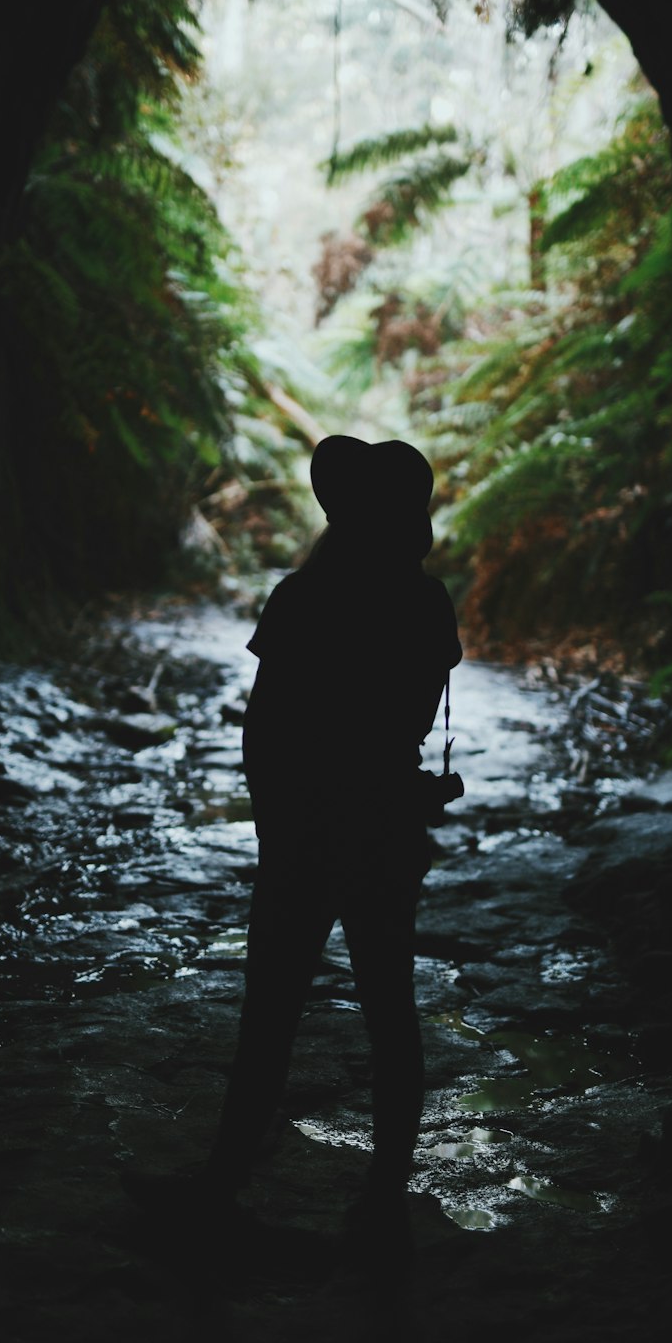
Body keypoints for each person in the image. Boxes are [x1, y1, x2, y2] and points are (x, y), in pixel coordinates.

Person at [204, 434, 463, 1225]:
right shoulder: (426, 602)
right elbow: (415, 714)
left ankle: (219, 1188)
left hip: (306, 830)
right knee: (390, 1010)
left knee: (270, 1015)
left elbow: (264, 728)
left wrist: (276, 830)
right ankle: (384, 1194)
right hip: (386, 823)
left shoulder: (302, 597)